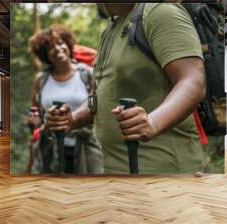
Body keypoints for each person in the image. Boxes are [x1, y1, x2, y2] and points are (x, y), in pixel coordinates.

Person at [46, 3, 207, 174]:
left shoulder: (161, 12)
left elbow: (192, 80)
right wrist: (72, 119)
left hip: (164, 171)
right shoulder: (111, 30)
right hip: (115, 170)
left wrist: (152, 122)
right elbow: (102, 95)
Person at [26, 24, 103, 174]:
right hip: (50, 148)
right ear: (45, 54)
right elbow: (35, 112)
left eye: (60, 43)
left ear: (68, 45)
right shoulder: (41, 80)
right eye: (50, 47)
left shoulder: (87, 74)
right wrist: (33, 122)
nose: (57, 48)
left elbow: (97, 106)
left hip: (85, 145)